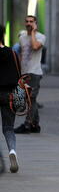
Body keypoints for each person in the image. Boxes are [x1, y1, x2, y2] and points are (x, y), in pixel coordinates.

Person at [14, 15, 46, 134]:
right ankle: (35, 125)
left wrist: (33, 32)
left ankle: (27, 125)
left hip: (34, 72)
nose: (28, 23)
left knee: (31, 99)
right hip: (24, 73)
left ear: (35, 23)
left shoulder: (40, 37)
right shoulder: (22, 37)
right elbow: (22, 54)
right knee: (30, 100)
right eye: (27, 21)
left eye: (31, 22)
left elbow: (35, 46)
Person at [0, 24, 20, 173]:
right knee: (8, 128)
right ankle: (12, 151)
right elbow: (18, 74)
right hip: (9, 94)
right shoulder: (12, 53)